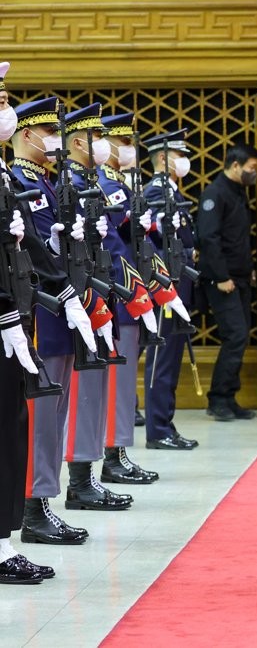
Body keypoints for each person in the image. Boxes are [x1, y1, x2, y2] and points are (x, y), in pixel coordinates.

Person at [12, 98, 124, 544]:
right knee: (39, 413)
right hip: (43, 310)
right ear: (28, 135)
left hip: (67, 304)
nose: (55, 142)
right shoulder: (22, 180)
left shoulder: (49, 181)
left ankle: (43, 500)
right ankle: (32, 508)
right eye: (49, 133)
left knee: (54, 413)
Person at [0, 61, 75, 580]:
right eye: (1, 101)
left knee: (12, 425)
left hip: (14, 314)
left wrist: (65, 292)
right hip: (5, 318)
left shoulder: (5, 175)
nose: (5, 110)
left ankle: (3, 542)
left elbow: (21, 244)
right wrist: (7, 317)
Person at [97, 111, 168, 485]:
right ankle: (112, 455)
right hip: (122, 293)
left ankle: (119, 451)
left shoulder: (122, 185)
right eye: (123, 143)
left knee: (125, 383)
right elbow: (113, 245)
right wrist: (136, 287)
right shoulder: (107, 186)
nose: (130, 150)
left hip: (134, 291)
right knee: (117, 381)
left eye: (130, 143)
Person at [141, 129, 199, 451]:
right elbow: (153, 239)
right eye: (181, 155)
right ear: (164, 158)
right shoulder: (155, 191)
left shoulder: (172, 191)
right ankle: (158, 429)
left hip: (179, 284)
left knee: (173, 356)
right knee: (162, 358)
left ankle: (166, 423)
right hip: (166, 286)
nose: (185, 161)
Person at [195, 143, 257, 421]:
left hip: (240, 278)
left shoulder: (238, 192)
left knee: (240, 336)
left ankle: (229, 397)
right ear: (235, 165)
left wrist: (249, 270)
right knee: (235, 336)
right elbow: (208, 238)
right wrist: (222, 277)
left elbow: (238, 238)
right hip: (222, 281)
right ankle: (218, 399)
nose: (254, 173)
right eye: (252, 168)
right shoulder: (215, 193)